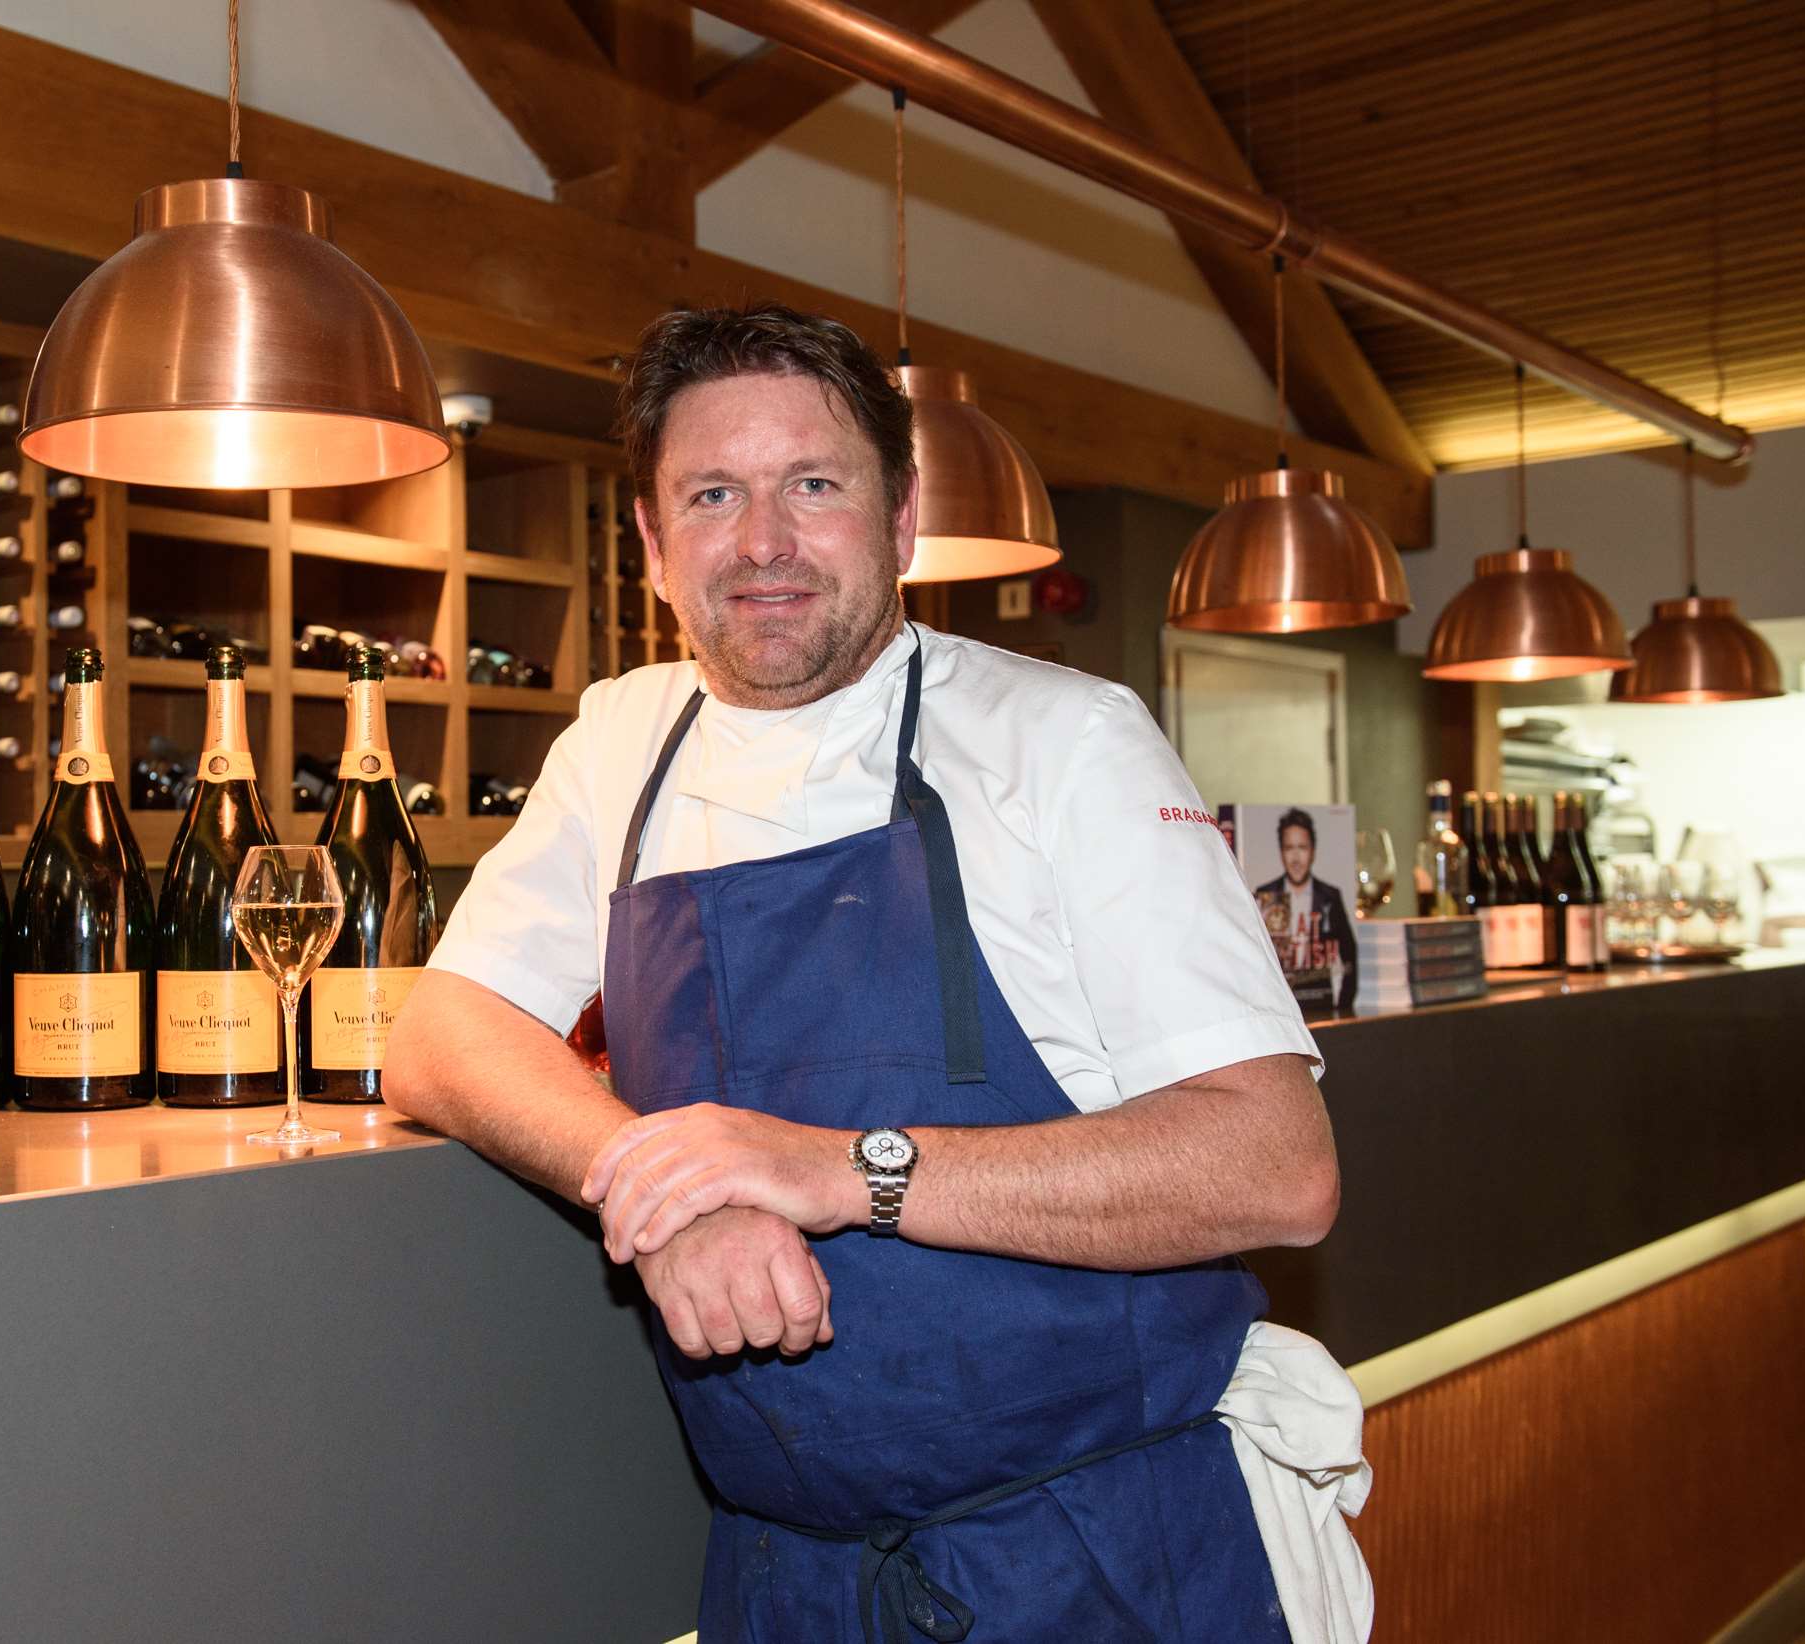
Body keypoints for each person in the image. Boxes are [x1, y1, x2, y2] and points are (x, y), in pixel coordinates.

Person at [385, 304, 1373, 1644]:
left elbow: (1275, 1164)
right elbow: (442, 1029)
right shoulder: (621, 741)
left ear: (901, 520)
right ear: (652, 544)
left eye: (814, 485)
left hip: (1100, 1562)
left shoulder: (1064, 741)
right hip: (790, 1585)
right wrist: (669, 1191)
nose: (763, 542)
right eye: (713, 494)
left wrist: (842, 1168)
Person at [1256, 808, 1359, 1013]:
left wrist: (1343, 1007)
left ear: (1313, 851)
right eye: (1289, 848)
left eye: (1302, 847)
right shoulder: (1265, 894)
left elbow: (1349, 955)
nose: (1295, 858)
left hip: (1322, 1006)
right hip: (1278, 1012)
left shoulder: (1330, 896)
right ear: (1281, 852)